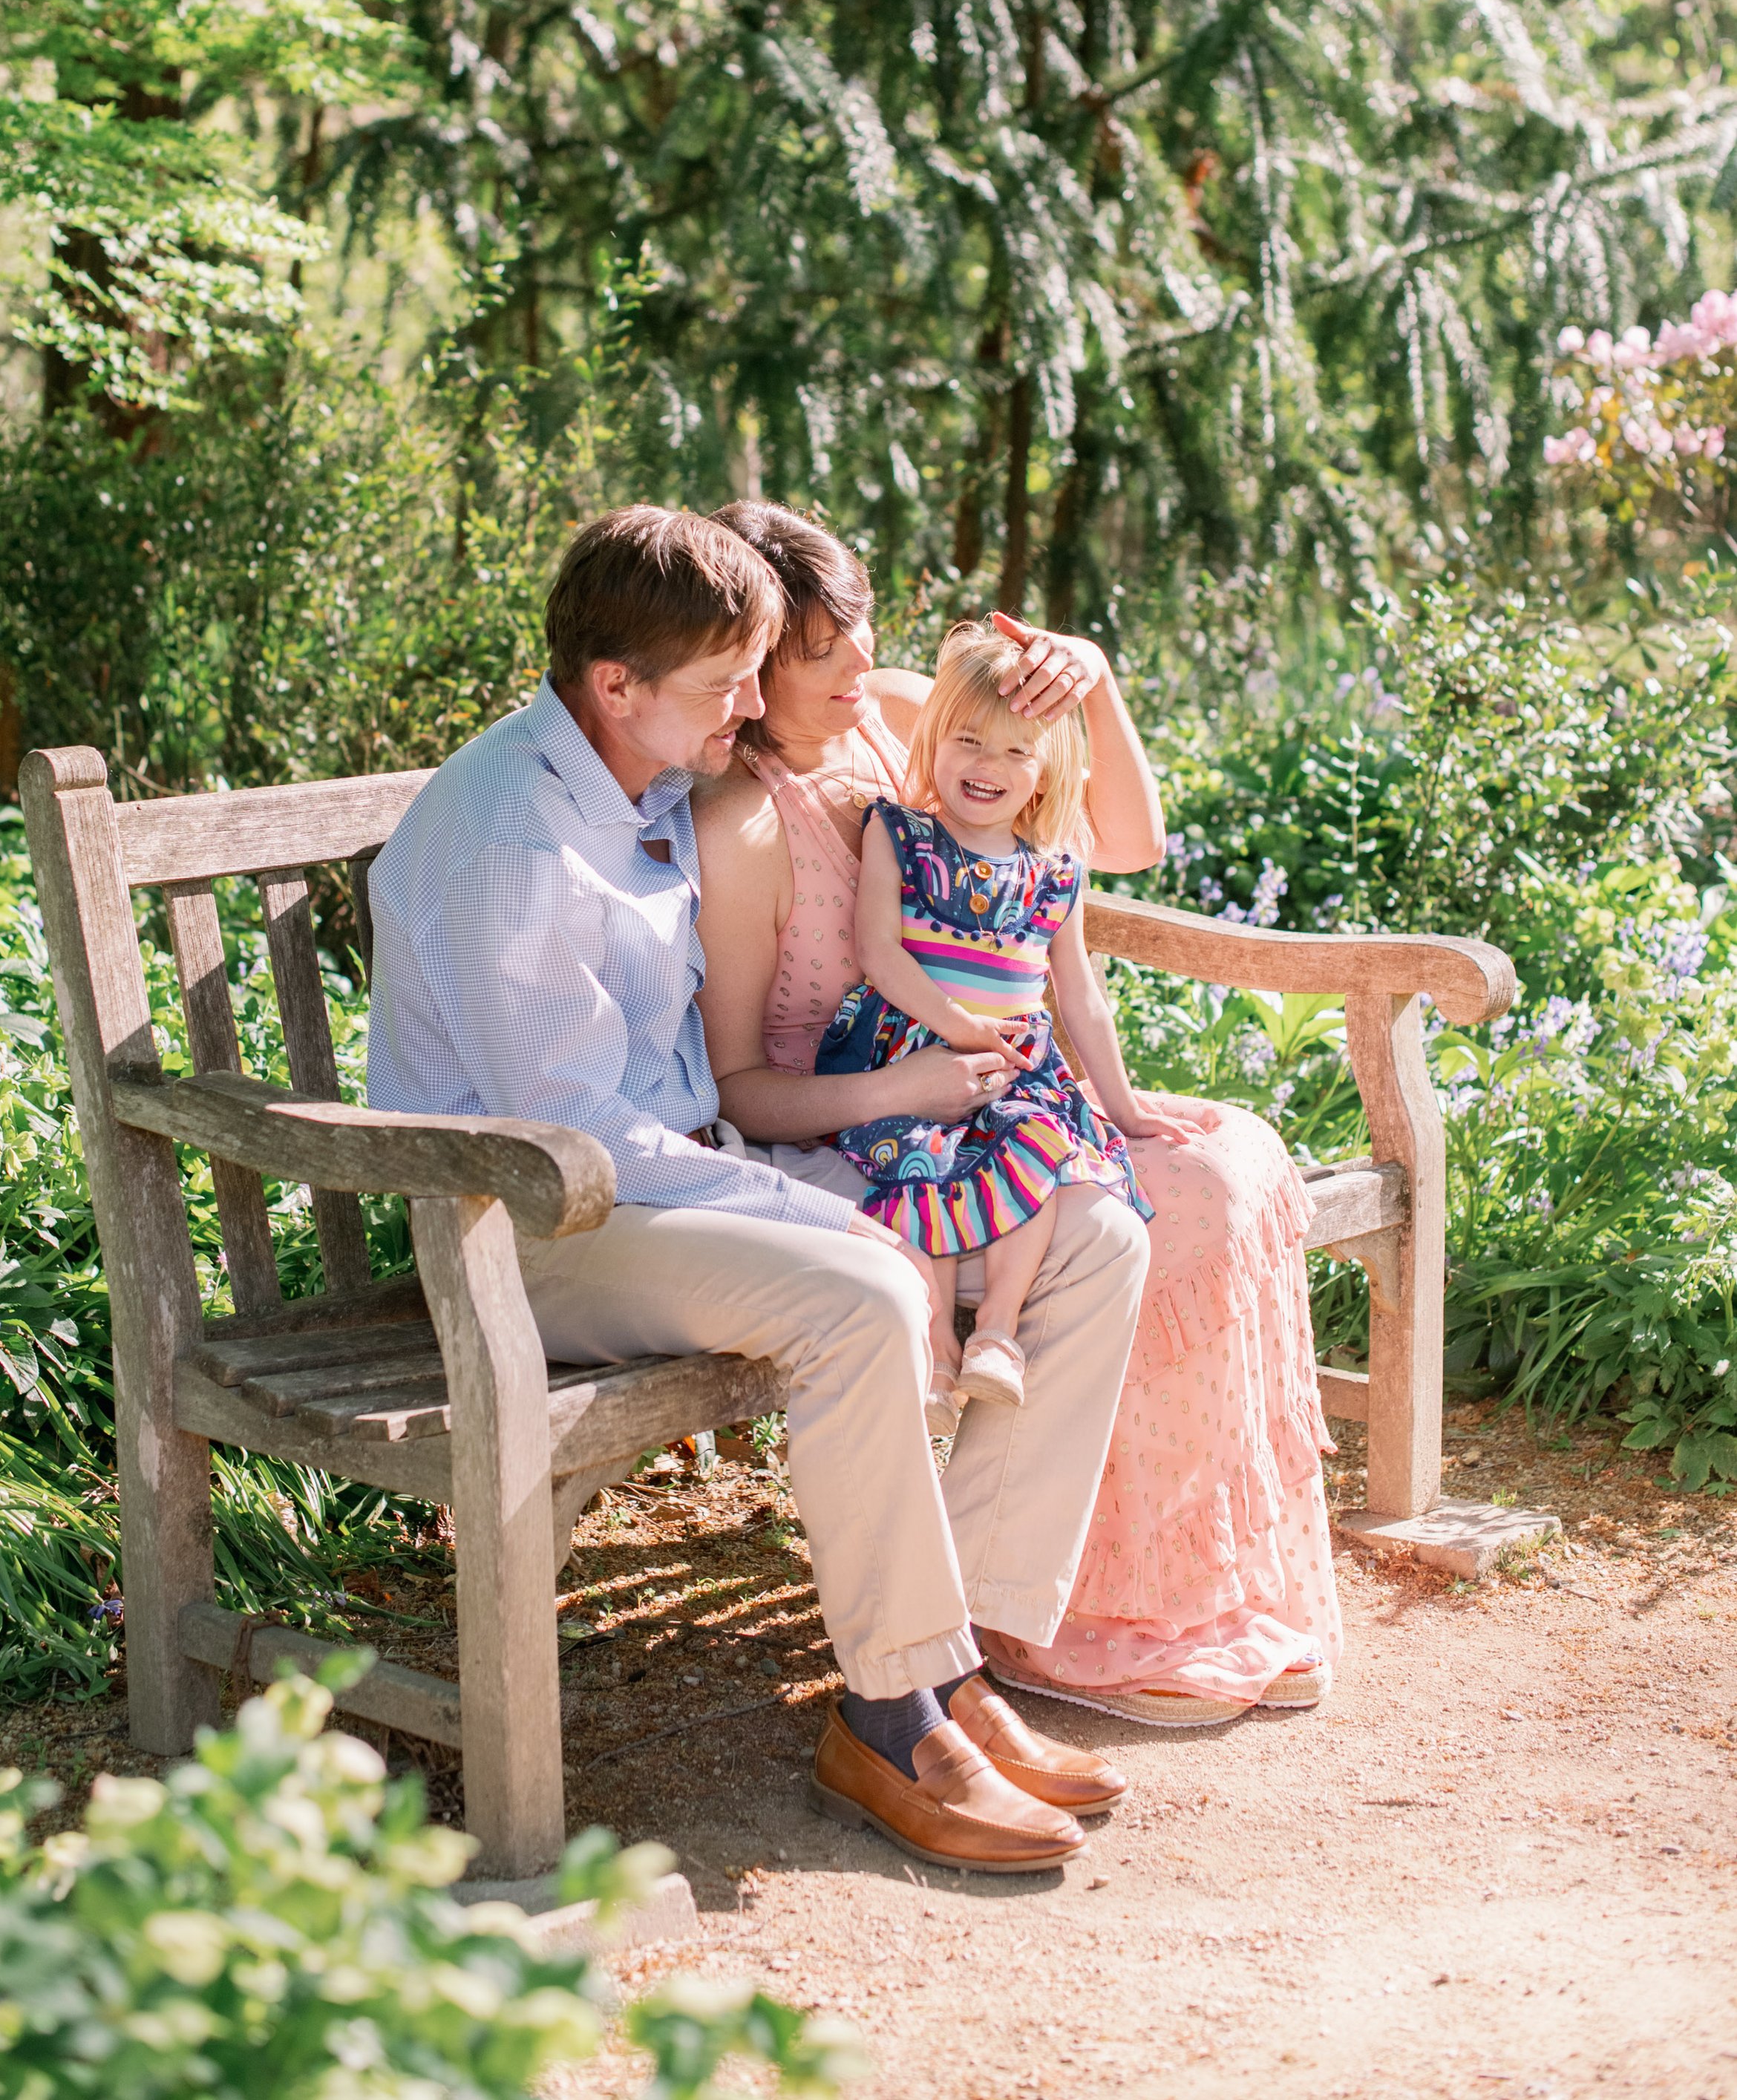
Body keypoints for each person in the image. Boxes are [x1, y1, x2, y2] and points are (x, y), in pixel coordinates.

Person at [366, 504, 1149, 1871]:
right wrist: (810, 1206)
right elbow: (569, 1138)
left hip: (675, 1181)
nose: (758, 702)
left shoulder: (643, 764)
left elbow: (1011, 784)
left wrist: (1063, 673)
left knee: (1086, 1232)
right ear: (618, 686)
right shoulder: (514, 839)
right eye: (730, 681)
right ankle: (891, 1720)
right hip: (528, 1225)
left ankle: (957, 1663)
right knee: (858, 1288)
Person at [695, 503, 1341, 1724]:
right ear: (746, 666)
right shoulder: (742, 823)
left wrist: (1091, 685)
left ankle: (1140, 1592)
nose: (858, 667)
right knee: (1159, 1206)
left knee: (1235, 1158)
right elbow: (739, 1092)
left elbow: (1125, 844)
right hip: (871, 1119)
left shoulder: (895, 715)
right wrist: (909, 1086)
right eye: (818, 654)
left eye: (862, 634)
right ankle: (1078, 1615)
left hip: (1003, 1087)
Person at [819, 618, 1177, 1427]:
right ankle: (937, 1349)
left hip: (1016, 1064)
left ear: (1048, 771)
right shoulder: (897, 832)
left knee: (1041, 1153)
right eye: (970, 743)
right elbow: (880, 954)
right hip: (915, 1044)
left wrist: (1120, 1105)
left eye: (1018, 752)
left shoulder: (1054, 866)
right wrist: (958, 1027)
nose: (989, 768)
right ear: (935, 740)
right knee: (920, 1162)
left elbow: (1078, 993)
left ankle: (998, 1335)